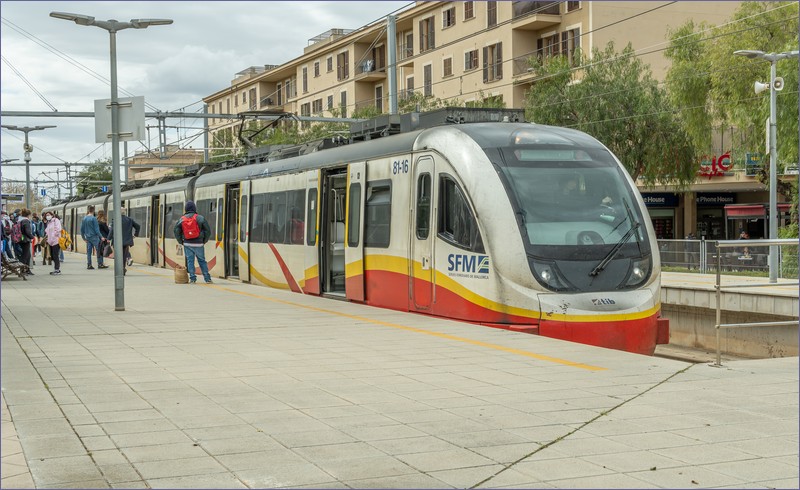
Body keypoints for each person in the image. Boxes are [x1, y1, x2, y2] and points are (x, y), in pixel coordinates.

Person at [173, 201, 212, 284]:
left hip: (187, 243)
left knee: (190, 261)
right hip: (199, 243)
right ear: (194, 208)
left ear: (186, 209)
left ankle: (192, 278)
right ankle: (207, 278)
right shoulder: (200, 218)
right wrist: (204, 240)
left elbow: (176, 230)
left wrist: (181, 241)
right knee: (202, 260)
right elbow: (208, 231)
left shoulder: (182, 219)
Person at [109, 208, 140, 275]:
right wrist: (135, 235)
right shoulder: (129, 220)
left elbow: (111, 230)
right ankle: (123, 268)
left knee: (118, 256)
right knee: (124, 255)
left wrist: (109, 238)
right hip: (126, 241)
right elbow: (138, 226)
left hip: (117, 242)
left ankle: (120, 269)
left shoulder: (115, 220)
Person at [80, 205, 106, 269]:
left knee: (89, 252)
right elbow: (97, 230)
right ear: (93, 211)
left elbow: (81, 230)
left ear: (88, 210)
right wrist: (101, 237)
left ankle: (89, 265)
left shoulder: (84, 218)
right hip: (94, 237)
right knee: (99, 250)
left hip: (88, 238)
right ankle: (100, 264)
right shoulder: (94, 219)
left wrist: (84, 238)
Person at [16, 209, 35, 274]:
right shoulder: (26, 221)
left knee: (28, 255)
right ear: (29, 215)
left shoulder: (19, 220)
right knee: (25, 255)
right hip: (25, 240)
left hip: (21, 239)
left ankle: (27, 269)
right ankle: (23, 270)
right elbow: (27, 232)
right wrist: (33, 237)